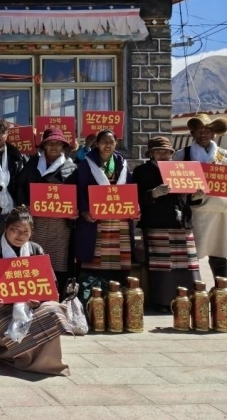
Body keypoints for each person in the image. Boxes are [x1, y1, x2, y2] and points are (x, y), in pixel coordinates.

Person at [0, 206, 72, 376]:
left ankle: (48, 361)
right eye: (15, 230)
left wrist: (39, 299)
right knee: (11, 324)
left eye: (26, 232)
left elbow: (50, 281)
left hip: (32, 302)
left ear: (31, 233)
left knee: (53, 311)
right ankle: (13, 354)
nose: (20, 235)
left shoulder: (35, 249)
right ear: (6, 228)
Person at [134, 137, 204, 312]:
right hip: (157, 223)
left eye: (166, 152)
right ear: (151, 154)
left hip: (182, 223)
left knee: (188, 264)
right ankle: (162, 301)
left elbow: (187, 198)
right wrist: (153, 194)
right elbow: (134, 198)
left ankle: (189, 300)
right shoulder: (142, 171)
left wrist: (196, 197)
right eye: (158, 151)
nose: (163, 155)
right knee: (162, 265)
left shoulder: (182, 169)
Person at [16, 128, 77, 296]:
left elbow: (77, 192)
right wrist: (25, 207)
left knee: (59, 260)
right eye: (50, 143)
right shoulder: (32, 165)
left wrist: (75, 210)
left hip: (60, 225)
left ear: (63, 146)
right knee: (35, 257)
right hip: (36, 221)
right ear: (44, 146)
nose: (54, 147)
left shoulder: (71, 167)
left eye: (58, 143)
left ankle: (56, 295)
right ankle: (35, 294)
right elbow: (20, 187)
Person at [74, 129, 137, 285]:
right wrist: (84, 210)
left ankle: (117, 290)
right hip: (96, 218)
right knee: (96, 257)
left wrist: (135, 208)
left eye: (111, 142)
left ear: (116, 144)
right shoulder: (86, 164)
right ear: (96, 144)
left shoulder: (122, 164)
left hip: (119, 219)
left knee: (119, 257)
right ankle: (95, 290)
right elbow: (80, 189)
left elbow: (130, 189)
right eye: (103, 142)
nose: (107, 146)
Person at [179, 114, 227, 279]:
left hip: (220, 212)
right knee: (191, 252)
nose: (203, 134)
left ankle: (221, 288)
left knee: (220, 252)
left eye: (207, 130)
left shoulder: (223, 155)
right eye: (198, 131)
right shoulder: (182, 154)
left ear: (213, 133)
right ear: (192, 134)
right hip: (195, 211)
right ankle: (192, 287)